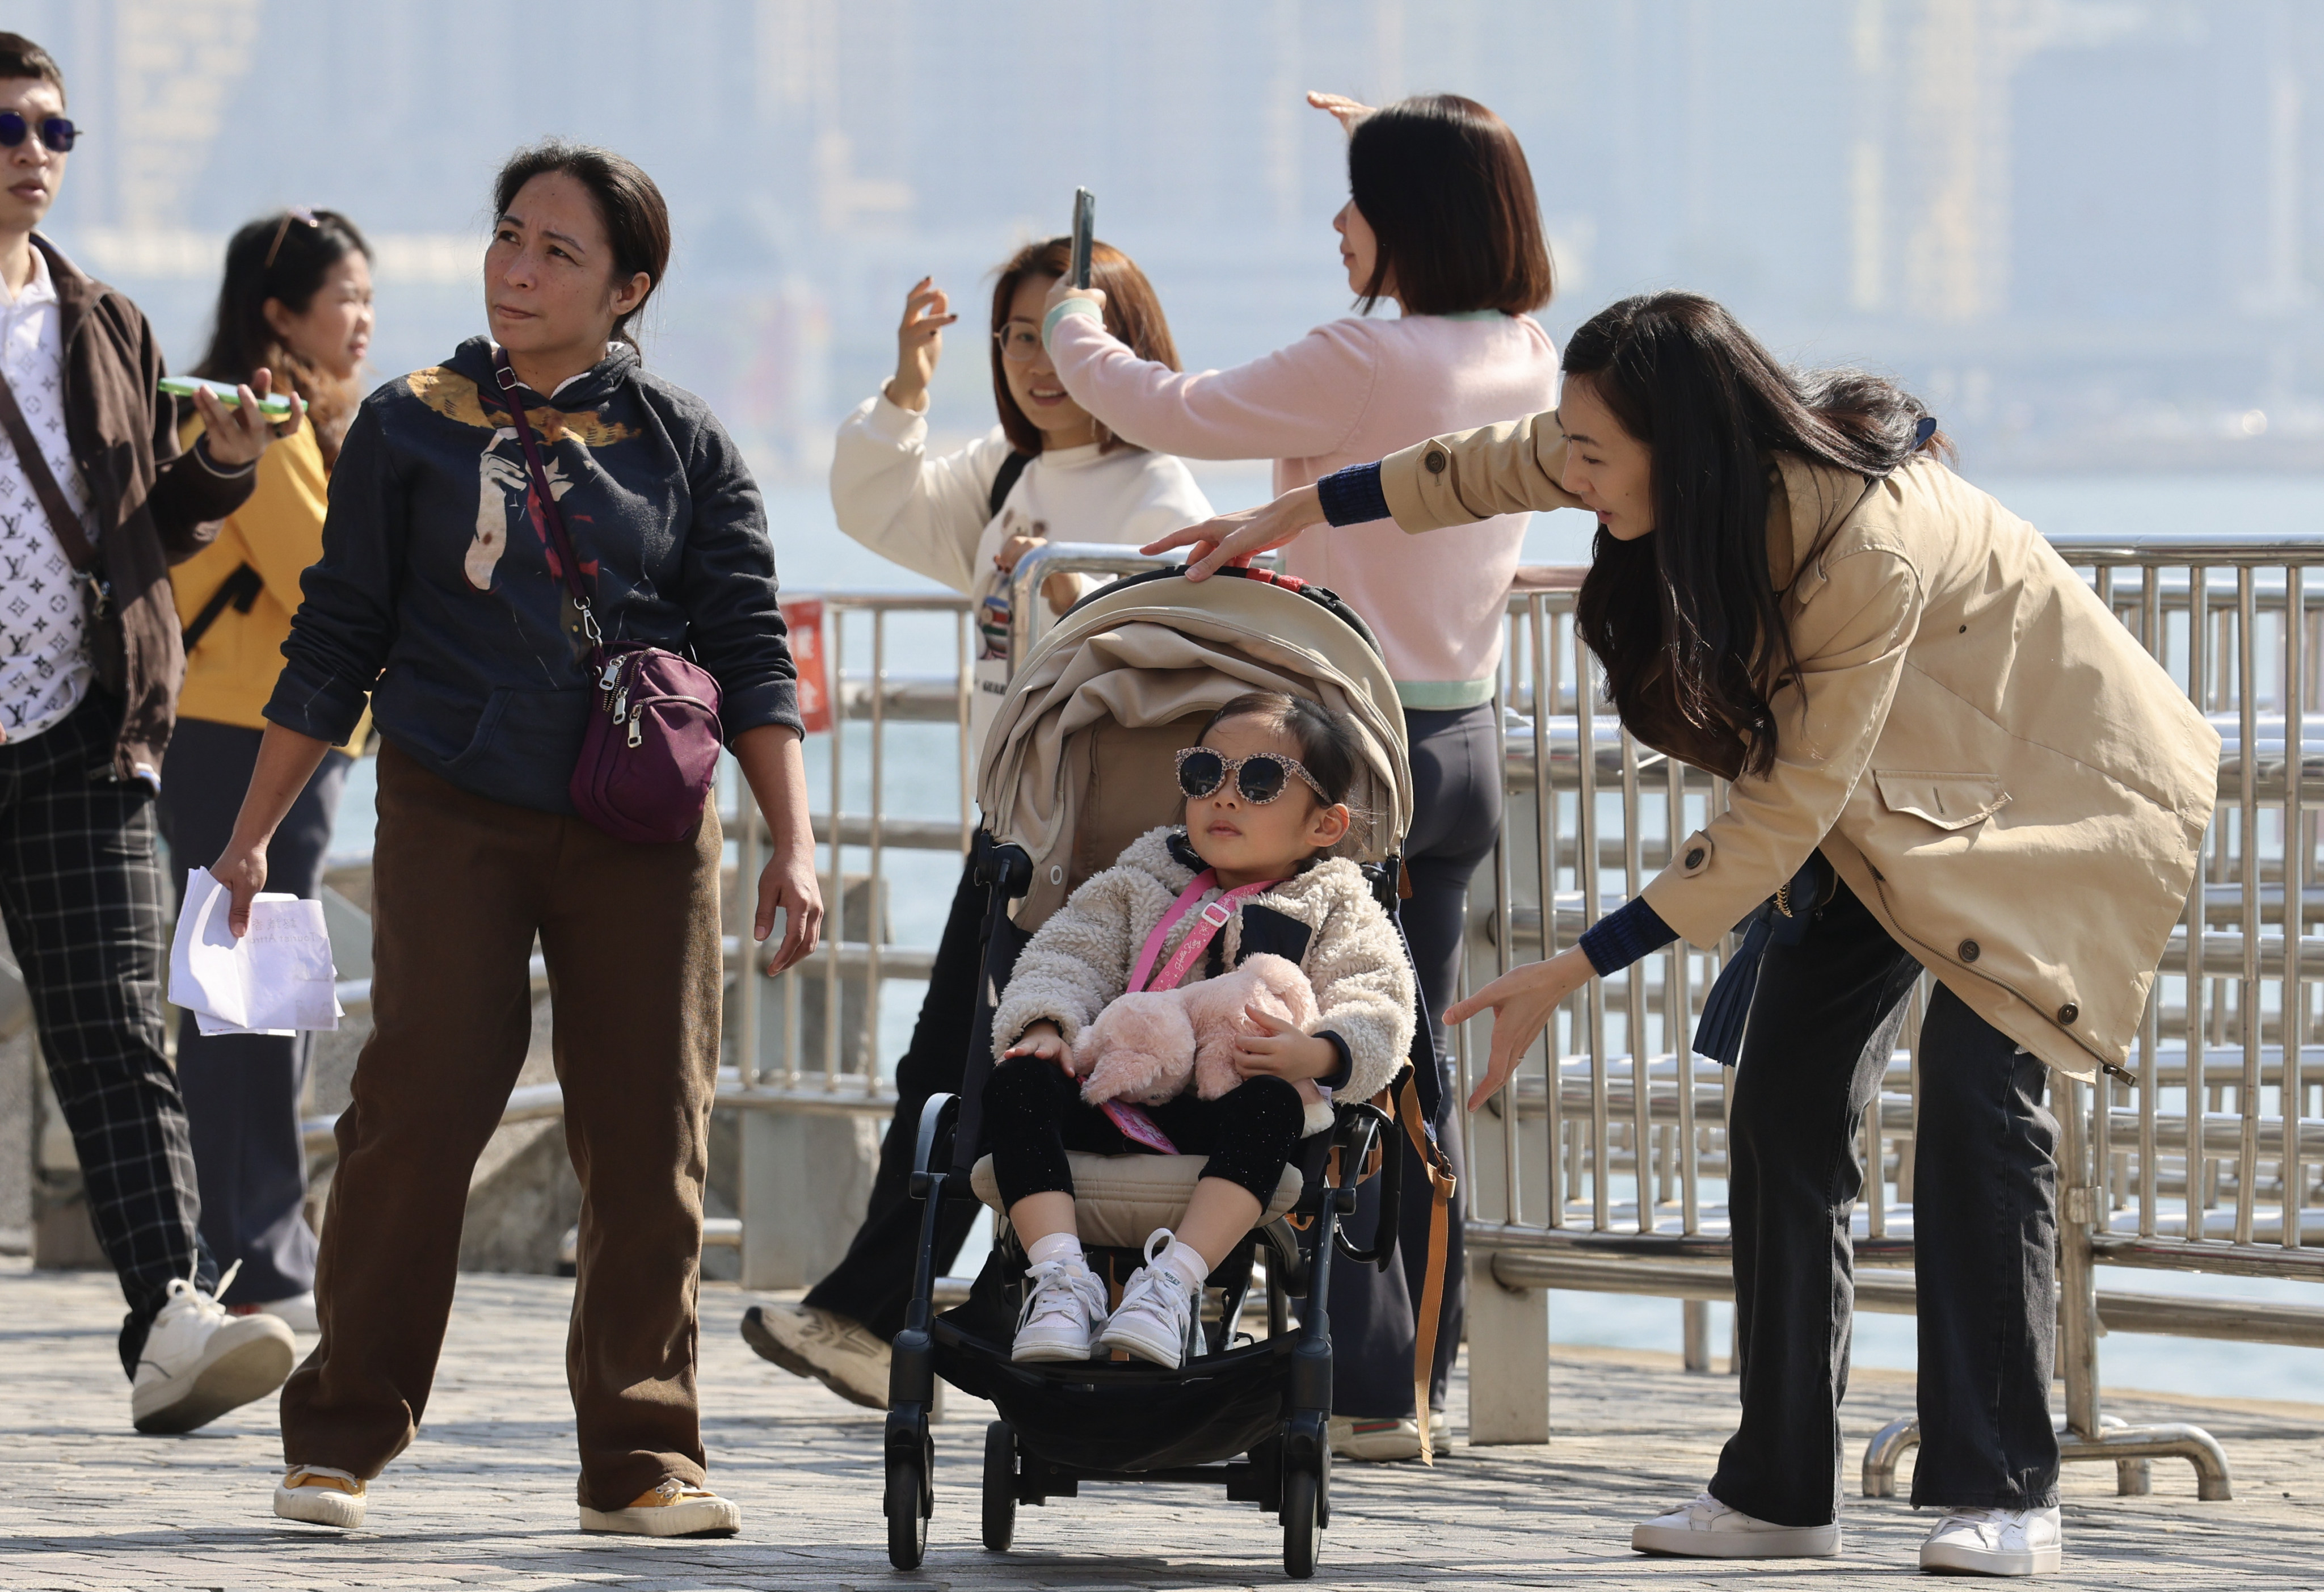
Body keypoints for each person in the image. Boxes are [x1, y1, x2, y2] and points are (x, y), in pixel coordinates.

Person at [1150, 291, 2221, 1579]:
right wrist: (1299, 510)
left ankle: (2004, 1485)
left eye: (1596, 454)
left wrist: (1573, 962)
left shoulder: (1860, 546)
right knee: (1782, 1100)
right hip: (1899, 802)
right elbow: (1485, 463)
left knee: (1978, 1112)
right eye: (1577, 443)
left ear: (1684, 443)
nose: (1574, 471)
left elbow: (1781, 813)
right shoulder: (1649, 453)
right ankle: (1779, 1488)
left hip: (2058, 796)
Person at [210, 140, 823, 1538]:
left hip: (645, 827)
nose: (519, 266)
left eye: (558, 250)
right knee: (414, 1111)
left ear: (630, 288)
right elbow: (335, 637)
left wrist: (788, 838)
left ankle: (642, 1455)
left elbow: (747, 651)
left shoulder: (686, 441)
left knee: (650, 1127)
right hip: (452, 807)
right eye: (508, 235)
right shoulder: (405, 423)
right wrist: (249, 837)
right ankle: (343, 1432)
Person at [1039, 90, 1559, 1460]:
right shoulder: (1524, 347)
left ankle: (1367, 1383)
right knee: (1402, 1059)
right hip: (1460, 741)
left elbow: (1172, 405)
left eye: (1356, 197)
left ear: (1410, 222)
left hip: (1346, 755)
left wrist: (1069, 326)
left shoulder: (1366, 356)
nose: (1337, 224)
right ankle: (1409, 1370)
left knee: (1322, 1068)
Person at [741, 237, 1210, 1404]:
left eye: (1064, 333)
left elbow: (1177, 669)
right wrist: (907, 383)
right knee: (936, 1070)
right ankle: (888, 1315)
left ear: (1123, 345)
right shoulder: (1003, 476)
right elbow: (877, 501)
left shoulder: (1158, 491)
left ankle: (910, 1313)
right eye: (1015, 335)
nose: (1038, 362)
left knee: (999, 1078)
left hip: (1089, 858)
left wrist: (1083, 606)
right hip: (1000, 835)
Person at [0, 31, 304, 1434]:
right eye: (6, 128)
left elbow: (144, 530)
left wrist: (223, 473)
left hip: (84, 730)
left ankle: (170, 1318)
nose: (31, 155)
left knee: (121, 1029)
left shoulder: (103, 323)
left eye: (55, 133)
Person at [986, 691, 1414, 1370]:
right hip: (1119, 1093)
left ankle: (1171, 1284)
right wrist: (1045, 1023)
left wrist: (1321, 1050)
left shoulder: (1337, 905)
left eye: (1261, 781)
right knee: (1017, 1079)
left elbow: (1378, 1002)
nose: (1225, 797)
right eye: (1203, 775)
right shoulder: (1138, 878)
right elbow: (1067, 954)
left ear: (1325, 826)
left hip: (1232, 1107)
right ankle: (1063, 1280)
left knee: (1276, 1102)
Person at [161, 206, 376, 1335]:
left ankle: (256, 1231)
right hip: (244, 737)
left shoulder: (263, 417)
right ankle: (248, 1239)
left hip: (257, 733)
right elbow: (330, 578)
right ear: (279, 313)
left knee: (258, 997)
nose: (364, 322)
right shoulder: (264, 423)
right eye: (346, 298)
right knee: (247, 1002)